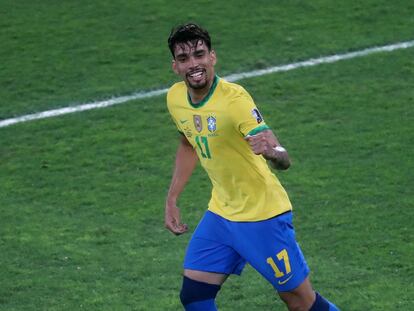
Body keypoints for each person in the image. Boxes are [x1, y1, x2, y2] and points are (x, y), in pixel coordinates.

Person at [165, 23, 339, 311]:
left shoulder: (235, 101)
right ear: (175, 66)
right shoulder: (175, 98)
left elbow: (283, 156)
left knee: (300, 302)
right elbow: (187, 143)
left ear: (212, 57)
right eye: (184, 59)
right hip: (222, 214)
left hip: (263, 216)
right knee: (194, 296)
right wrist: (172, 198)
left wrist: (272, 151)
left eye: (199, 54)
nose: (193, 64)